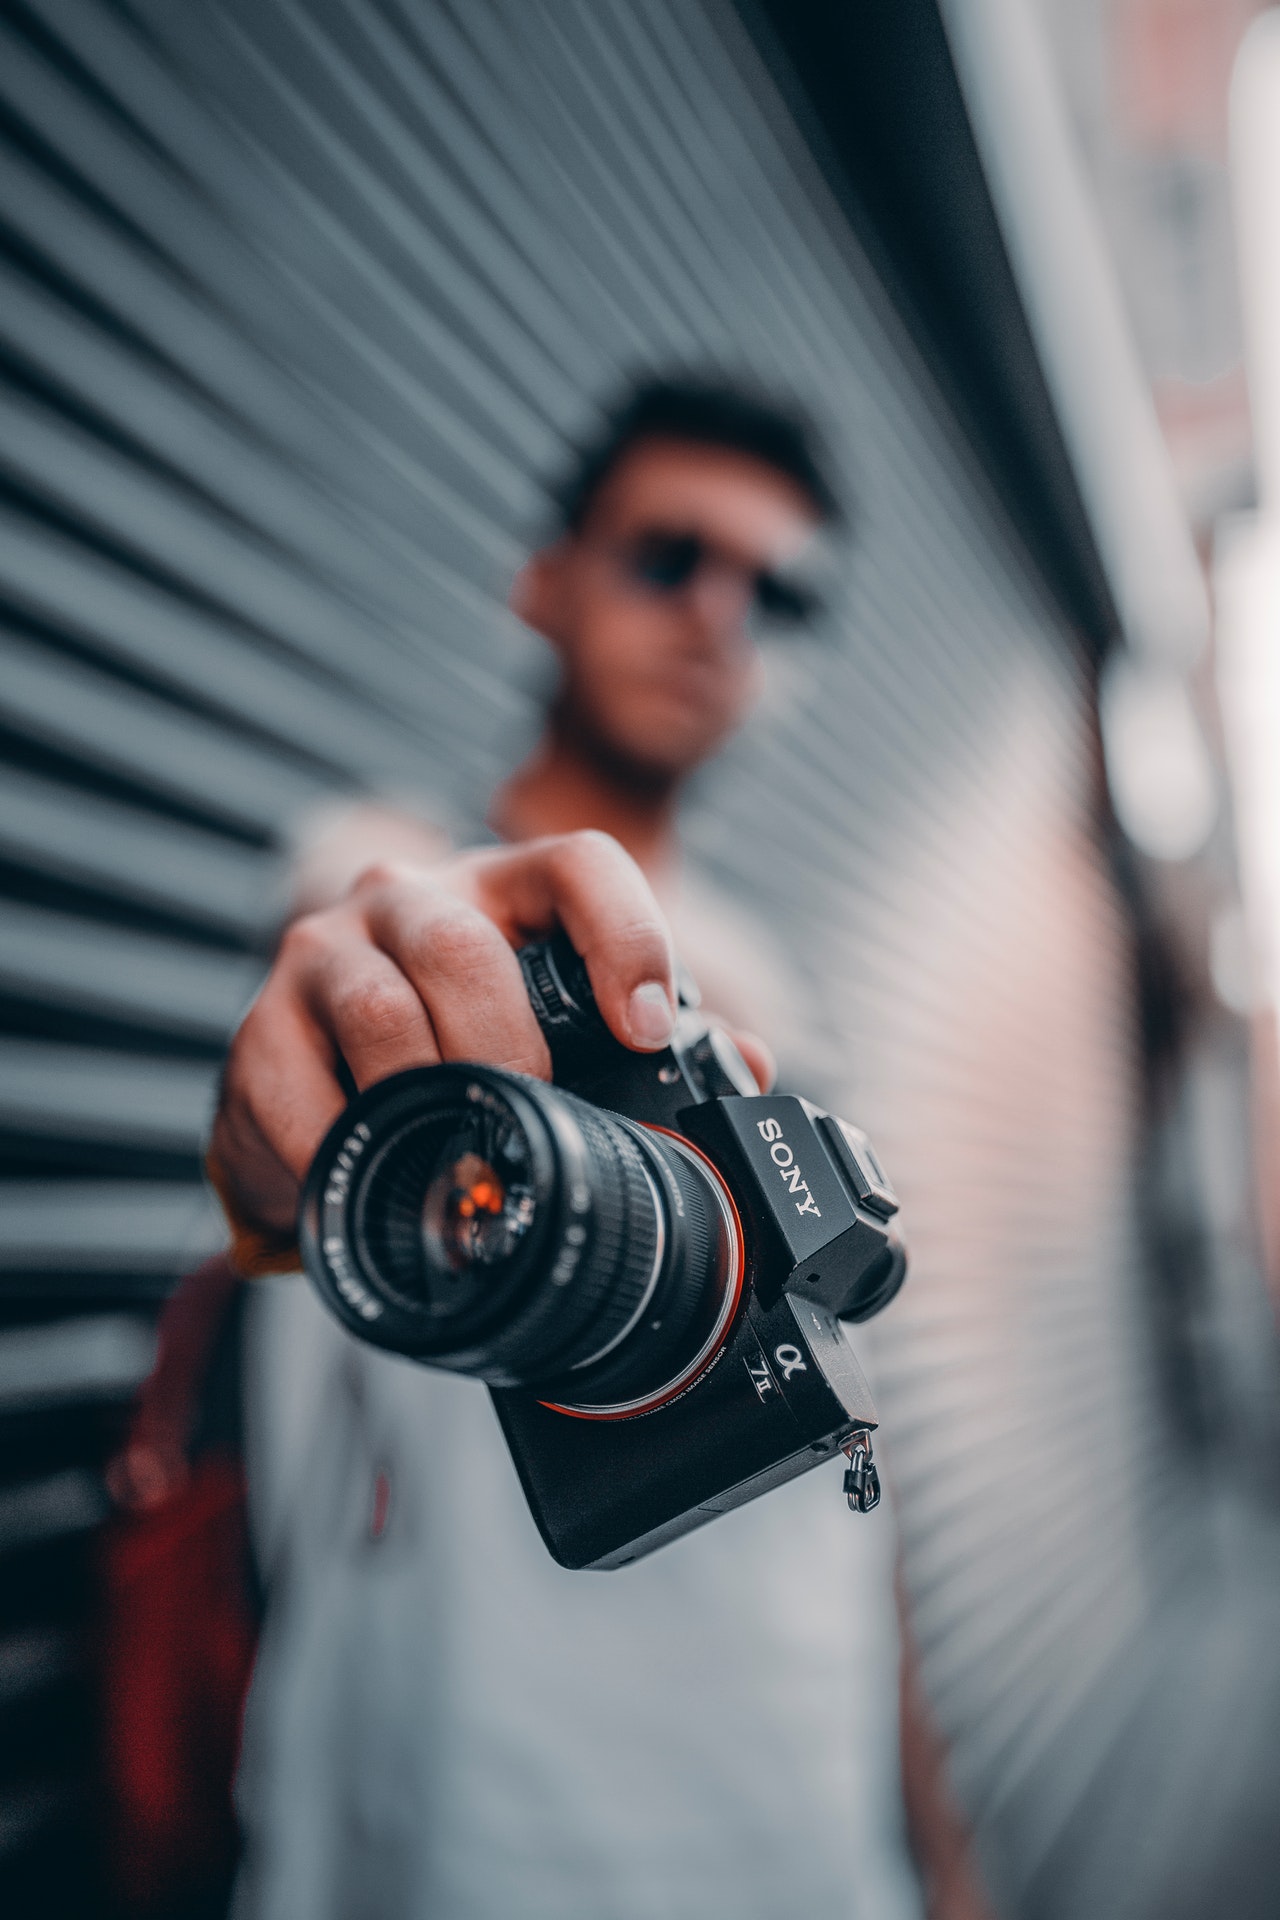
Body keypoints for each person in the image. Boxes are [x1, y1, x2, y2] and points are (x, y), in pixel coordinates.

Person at [211, 380, 964, 1918]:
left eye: (778, 591)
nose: (719, 615)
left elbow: (846, 1437)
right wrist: (284, 1162)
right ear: (541, 583)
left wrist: (940, 1855)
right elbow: (285, 1124)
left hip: (800, 1828)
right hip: (469, 1834)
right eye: (668, 555)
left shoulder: (775, 989)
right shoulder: (388, 901)